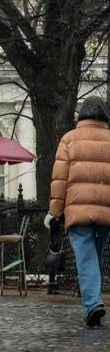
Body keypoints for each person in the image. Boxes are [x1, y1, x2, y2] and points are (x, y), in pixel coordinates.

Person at [47, 96, 110, 328]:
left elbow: (60, 180)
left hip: (77, 209)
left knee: (85, 257)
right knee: (95, 254)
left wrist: (55, 212)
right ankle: (95, 299)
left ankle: (93, 303)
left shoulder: (69, 140)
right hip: (106, 211)